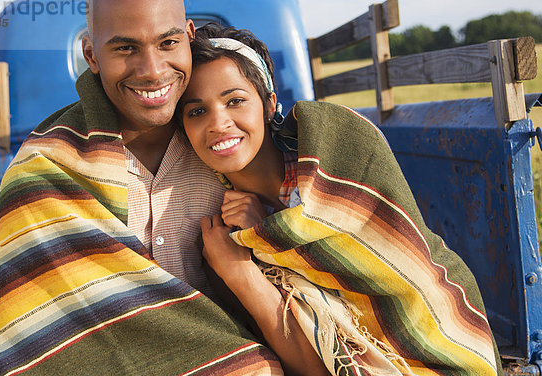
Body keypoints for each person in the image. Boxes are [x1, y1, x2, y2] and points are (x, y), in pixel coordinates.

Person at [0, 0, 284, 375]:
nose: (152, 70)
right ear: (91, 55)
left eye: (168, 42)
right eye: (125, 48)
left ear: (188, 36)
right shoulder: (47, 168)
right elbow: (37, 332)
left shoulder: (222, 148)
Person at [178, 24, 503, 375]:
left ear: (270, 103)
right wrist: (244, 265)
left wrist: (269, 234)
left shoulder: (335, 153)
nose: (218, 122)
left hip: (444, 333)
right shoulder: (218, 226)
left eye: (235, 100)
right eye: (197, 111)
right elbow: (311, 365)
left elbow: (407, 264)